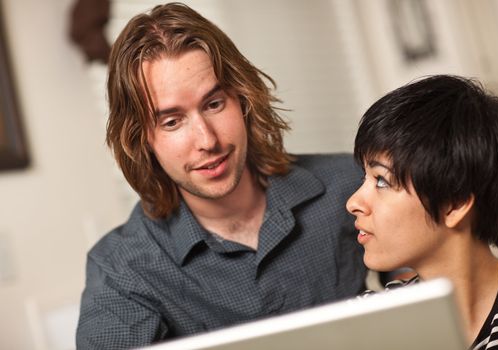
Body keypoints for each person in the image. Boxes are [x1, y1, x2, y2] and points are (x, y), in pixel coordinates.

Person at [76, 2, 367, 349]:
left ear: (243, 99)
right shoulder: (122, 268)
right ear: (141, 139)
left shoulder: (351, 185)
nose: (207, 140)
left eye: (214, 104)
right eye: (172, 121)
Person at [346, 75, 498, 349]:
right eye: (364, 178)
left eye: (382, 180)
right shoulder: (366, 325)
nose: (353, 202)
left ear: (454, 204)